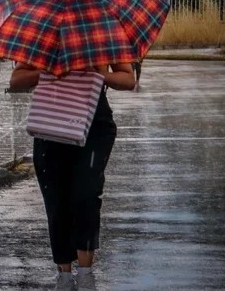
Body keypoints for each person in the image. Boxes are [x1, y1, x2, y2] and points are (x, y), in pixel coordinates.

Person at [10, 62, 135, 291]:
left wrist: (101, 75)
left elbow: (128, 80)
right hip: (51, 126)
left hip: (94, 127)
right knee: (57, 202)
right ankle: (64, 277)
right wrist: (49, 72)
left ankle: (86, 276)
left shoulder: (101, 32)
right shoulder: (45, 33)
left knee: (87, 195)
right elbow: (16, 80)